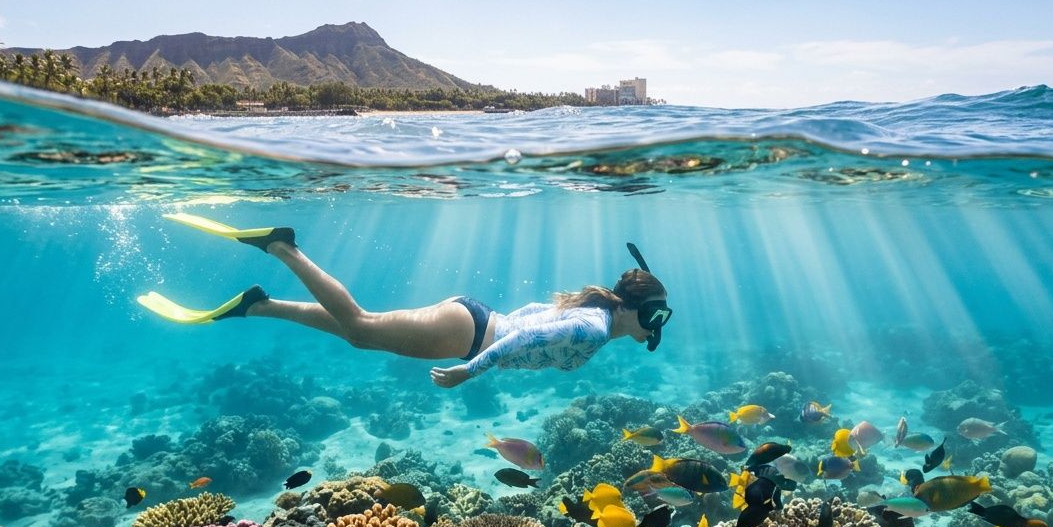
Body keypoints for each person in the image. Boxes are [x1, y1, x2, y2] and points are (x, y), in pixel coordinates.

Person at [137, 214, 672, 388]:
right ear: (636, 308)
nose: (657, 328)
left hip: (473, 319)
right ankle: (282, 248)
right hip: (468, 335)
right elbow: (528, 336)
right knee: (361, 325)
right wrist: (472, 371)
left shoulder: (594, 312)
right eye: (657, 316)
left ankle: (260, 305)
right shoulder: (597, 328)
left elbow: (532, 317)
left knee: (358, 334)